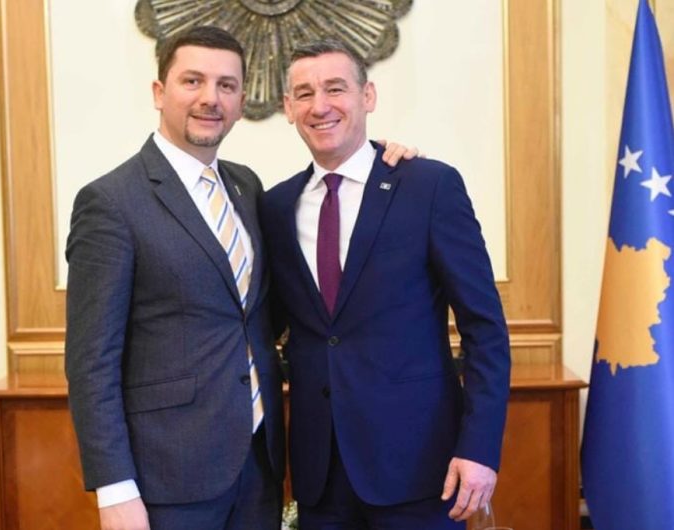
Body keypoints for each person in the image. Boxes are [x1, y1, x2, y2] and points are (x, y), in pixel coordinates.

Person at [65, 26, 415, 530]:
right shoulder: (111, 202)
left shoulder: (246, 187)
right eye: (193, 81)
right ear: (160, 92)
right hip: (166, 480)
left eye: (226, 85)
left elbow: (267, 315)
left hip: (259, 467)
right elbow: (91, 361)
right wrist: (114, 487)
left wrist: (380, 162)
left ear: (241, 101)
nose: (211, 98)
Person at [259, 39, 511, 530]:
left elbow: (485, 330)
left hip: (421, 470)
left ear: (367, 96)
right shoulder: (275, 207)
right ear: (288, 108)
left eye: (336, 88)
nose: (320, 105)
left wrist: (480, 449)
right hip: (320, 479)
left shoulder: (428, 187)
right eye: (304, 93)